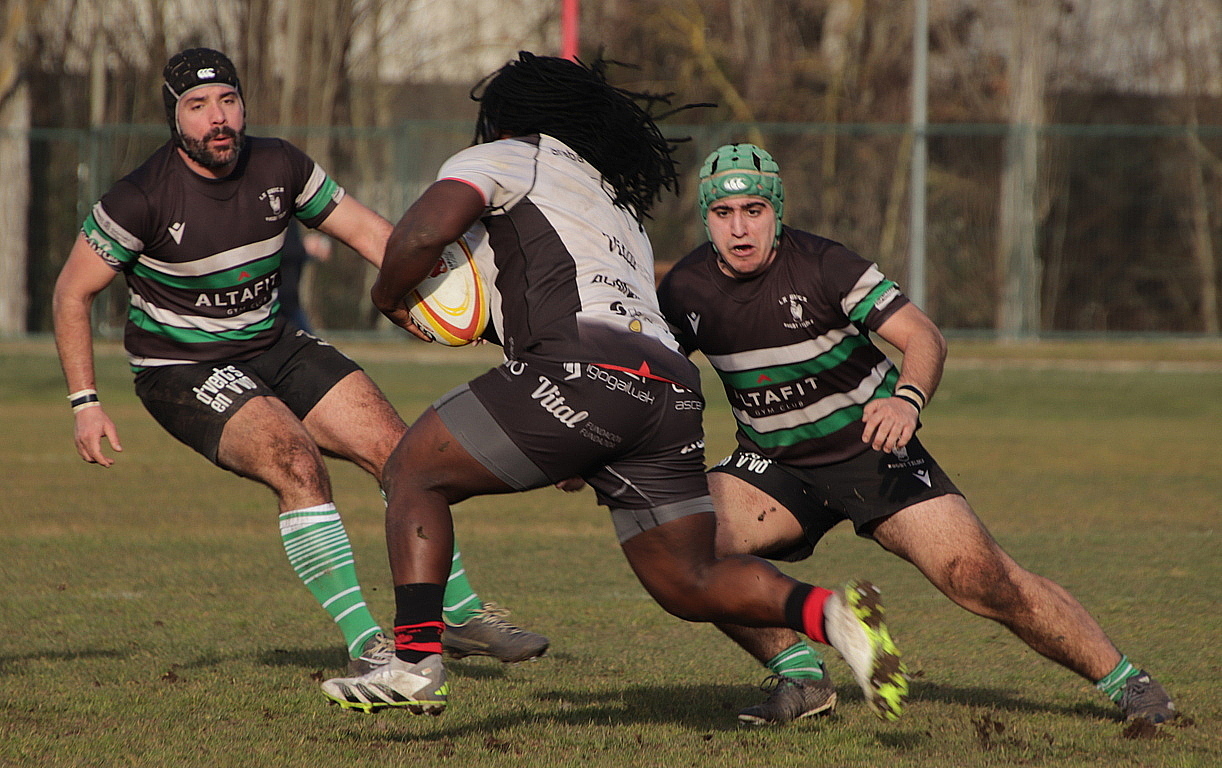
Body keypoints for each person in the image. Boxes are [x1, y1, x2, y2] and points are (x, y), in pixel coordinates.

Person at [319, 52, 909, 721]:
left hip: (584, 369)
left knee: (412, 471)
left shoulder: (510, 155)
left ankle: (416, 663)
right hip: (669, 391)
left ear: (507, 117)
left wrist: (390, 295)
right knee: (688, 581)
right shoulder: (611, 201)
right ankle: (830, 614)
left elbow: (423, 231)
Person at [51, 48, 548, 676]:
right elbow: (73, 292)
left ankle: (459, 612)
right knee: (296, 461)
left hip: (272, 343)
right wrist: (85, 403)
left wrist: (446, 299)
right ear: (174, 119)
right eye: (197, 107)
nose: (218, 118)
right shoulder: (139, 198)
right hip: (180, 367)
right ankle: (369, 639)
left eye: (227, 100)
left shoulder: (280, 164)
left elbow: (372, 236)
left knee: (404, 452)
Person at [655, 142, 1178, 727]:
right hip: (773, 465)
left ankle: (1129, 683)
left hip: (873, 453)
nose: (740, 228)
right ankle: (802, 679)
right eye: (724, 215)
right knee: (686, 549)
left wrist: (906, 400)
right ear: (706, 219)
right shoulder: (685, 289)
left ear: (777, 211)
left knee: (982, 581)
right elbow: (645, 373)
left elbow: (924, 336)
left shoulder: (826, 264)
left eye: (754, 210)